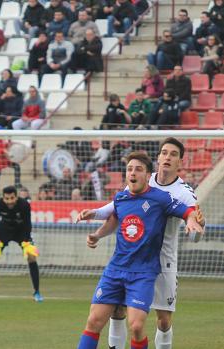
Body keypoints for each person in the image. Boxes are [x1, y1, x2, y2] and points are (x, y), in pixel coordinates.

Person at [77, 138, 205, 349]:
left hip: (162, 261)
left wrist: (195, 225)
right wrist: (96, 218)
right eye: (164, 152)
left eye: (173, 154)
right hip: (124, 262)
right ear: (158, 158)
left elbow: (192, 217)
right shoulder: (141, 180)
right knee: (115, 313)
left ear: (180, 161)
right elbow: (116, 208)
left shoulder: (181, 193)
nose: (167, 157)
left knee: (162, 320)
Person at [0, 185, 43, 302]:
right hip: (4, 231)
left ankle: (37, 292)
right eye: (7, 198)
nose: (9, 201)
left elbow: (28, 224)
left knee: (31, 257)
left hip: (21, 232)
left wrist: (26, 240)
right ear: (3, 198)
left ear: (16, 197)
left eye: (12, 198)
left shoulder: (24, 205)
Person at [0, 130, 21, 197]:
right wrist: (3, 151)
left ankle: (17, 183)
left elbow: (5, 145)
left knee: (17, 167)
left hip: (5, 160)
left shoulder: (1, 139)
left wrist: (10, 144)